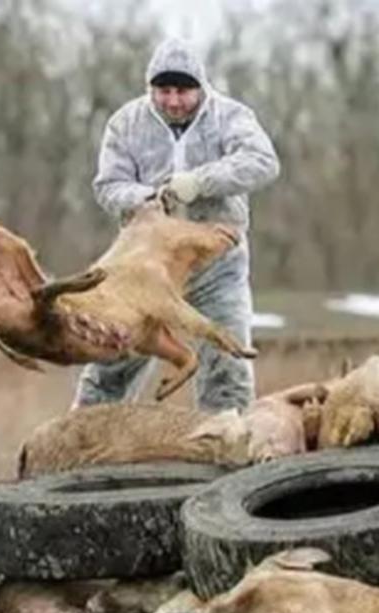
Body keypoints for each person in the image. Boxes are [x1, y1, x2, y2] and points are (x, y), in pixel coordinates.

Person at [73, 37, 281, 413]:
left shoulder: (230, 117)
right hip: (143, 268)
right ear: (150, 88)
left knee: (227, 368)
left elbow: (263, 161)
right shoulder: (125, 123)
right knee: (111, 360)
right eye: (163, 90)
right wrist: (147, 200)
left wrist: (200, 182)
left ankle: (225, 449)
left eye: (182, 91)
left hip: (216, 268)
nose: (172, 100)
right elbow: (108, 186)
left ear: (200, 87)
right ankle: (80, 446)